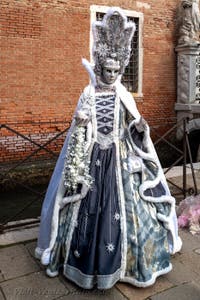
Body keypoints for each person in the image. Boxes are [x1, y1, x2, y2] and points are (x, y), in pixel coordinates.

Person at [35, 7, 182, 289]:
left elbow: (130, 126)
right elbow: (79, 129)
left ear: (121, 69)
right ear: (100, 67)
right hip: (92, 157)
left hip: (119, 160)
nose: (112, 75)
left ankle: (125, 264)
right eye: (107, 70)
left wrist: (140, 128)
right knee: (84, 208)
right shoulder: (88, 92)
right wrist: (81, 121)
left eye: (117, 71)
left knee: (126, 213)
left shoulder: (123, 94)